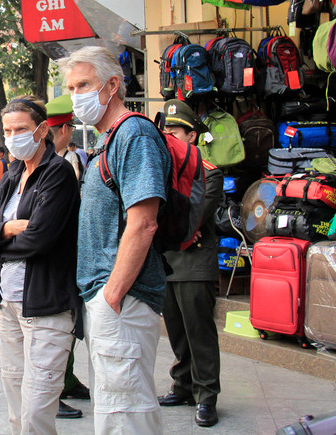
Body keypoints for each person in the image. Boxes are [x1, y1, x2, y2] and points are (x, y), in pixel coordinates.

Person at [61, 45, 169, 435]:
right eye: (72, 87)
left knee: (126, 413)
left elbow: (144, 223)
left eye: (84, 84)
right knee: (113, 407)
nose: (77, 95)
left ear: (112, 85)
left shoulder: (134, 135)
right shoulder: (109, 139)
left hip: (123, 297)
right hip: (109, 297)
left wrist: (112, 295)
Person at [0, 96, 81, 435]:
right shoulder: (12, 175)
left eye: (21, 128)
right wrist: (7, 229)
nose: (13, 136)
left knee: (37, 410)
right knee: (16, 409)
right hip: (7, 306)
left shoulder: (58, 173)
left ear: (42, 130)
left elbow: (39, 239)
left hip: (46, 307)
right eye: (7, 130)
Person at [157, 100, 222, 428]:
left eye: (174, 131)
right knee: (177, 332)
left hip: (195, 265)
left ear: (192, 136)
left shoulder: (209, 174)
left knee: (199, 332)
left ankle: (207, 396)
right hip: (168, 262)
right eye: (164, 131)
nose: (167, 135)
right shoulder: (160, 174)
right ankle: (183, 385)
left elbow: (192, 218)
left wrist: (176, 228)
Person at [44, 94, 91, 418]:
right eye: (69, 127)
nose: (70, 133)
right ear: (58, 129)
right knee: (53, 331)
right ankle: (52, 392)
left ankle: (68, 378)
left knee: (71, 321)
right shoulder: (46, 166)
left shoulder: (64, 160)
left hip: (69, 255)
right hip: (49, 263)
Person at [45, 95, 81, 181]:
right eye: (72, 127)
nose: (72, 131)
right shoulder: (60, 165)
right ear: (64, 129)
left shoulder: (37, 157)